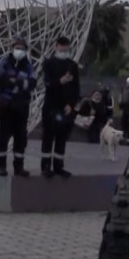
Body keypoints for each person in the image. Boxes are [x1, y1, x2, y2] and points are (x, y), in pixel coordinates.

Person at [0, 36, 35, 177]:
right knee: (2, 137)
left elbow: (32, 83)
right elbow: (2, 78)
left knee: (21, 138)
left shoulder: (28, 65)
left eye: (22, 48)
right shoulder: (4, 62)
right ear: (12, 49)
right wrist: (21, 82)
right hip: (5, 105)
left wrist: (16, 81)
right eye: (17, 48)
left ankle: (19, 167)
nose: (19, 50)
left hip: (21, 106)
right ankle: (1, 166)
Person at [41, 36, 81, 177]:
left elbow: (76, 88)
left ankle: (58, 166)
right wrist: (60, 81)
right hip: (51, 106)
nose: (63, 51)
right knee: (48, 137)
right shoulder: (49, 63)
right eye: (61, 48)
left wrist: (71, 104)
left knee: (62, 138)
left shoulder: (72, 65)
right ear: (56, 47)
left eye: (66, 48)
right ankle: (45, 166)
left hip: (66, 108)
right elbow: (47, 83)